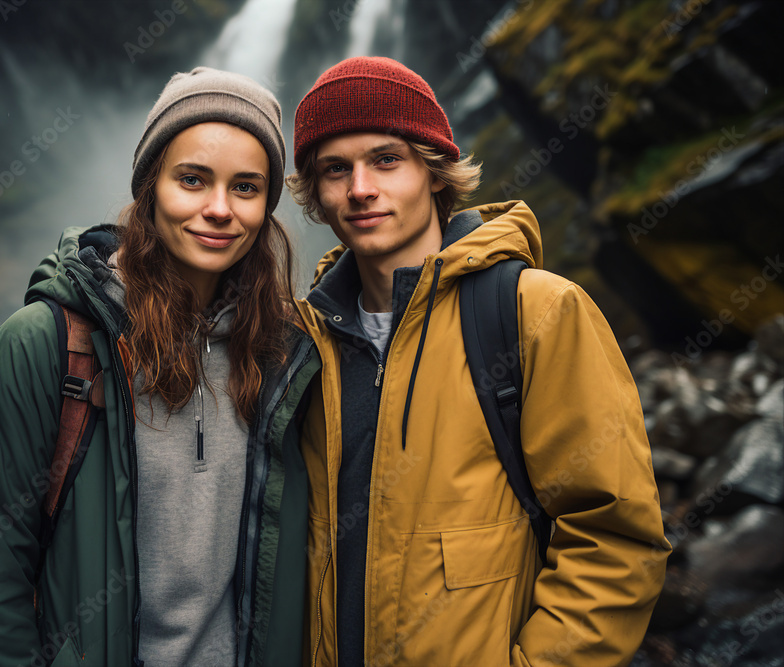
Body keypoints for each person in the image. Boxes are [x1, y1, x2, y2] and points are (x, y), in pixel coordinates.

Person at [286, 56, 671, 666]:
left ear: (435, 172)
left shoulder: (536, 312)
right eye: (336, 169)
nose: (360, 189)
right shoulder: (307, 343)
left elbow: (615, 539)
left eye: (387, 159)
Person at [0, 67, 321, 666]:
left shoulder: (285, 354)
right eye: (193, 179)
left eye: (246, 188)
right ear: (151, 186)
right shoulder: (44, 346)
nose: (219, 209)